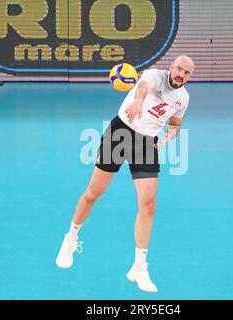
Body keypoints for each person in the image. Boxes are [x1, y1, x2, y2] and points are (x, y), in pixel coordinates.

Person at [55, 55, 195, 293]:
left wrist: (171, 135)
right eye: (179, 69)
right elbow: (142, 87)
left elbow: (175, 124)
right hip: (120, 133)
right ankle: (70, 239)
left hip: (146, 143)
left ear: (190, 76)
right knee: (93, 193)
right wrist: (138, 102)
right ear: (171, 67)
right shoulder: (153, 75)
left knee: (148, 204)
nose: (181, 74)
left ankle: (139, 268)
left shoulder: (183, 98)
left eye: (187, 73)